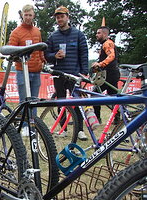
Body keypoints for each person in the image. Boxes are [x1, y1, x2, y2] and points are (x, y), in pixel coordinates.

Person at [44, 6, 89, 141]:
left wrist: (84, 73)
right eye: (57, 17)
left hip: (75, 75)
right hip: (59, 74)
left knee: (77, 102)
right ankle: (63, 128)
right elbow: (46, 54)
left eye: (62, 16)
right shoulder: (53, 36)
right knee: (61, 102)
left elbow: (84, 54)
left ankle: (80, 130)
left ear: (67, 17)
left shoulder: (78, 34)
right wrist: (54, 56)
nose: (59, 19)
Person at [8, 4, 46, 136]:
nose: (28, 17)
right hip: (22, 70)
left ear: (33, 15)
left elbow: (40, 49)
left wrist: (42, 60)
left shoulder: (37, 31)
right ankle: (23, 125)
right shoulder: (16, 32)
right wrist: (18, 59)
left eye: (30, 15)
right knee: (24, 100)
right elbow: (11, 51)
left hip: (36, 71)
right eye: (26, 15)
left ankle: (32, 125)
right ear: (22, 16)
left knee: (34, 101)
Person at [92, 26, 120, 124]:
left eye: (98, 33)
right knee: (113, 97)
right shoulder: (105, 44)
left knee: (95, 94)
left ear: (104, 34)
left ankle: (98, 118)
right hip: (110, 73)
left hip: (109, 74)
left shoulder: (108, 43)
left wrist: (100, 64)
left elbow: (111, 56)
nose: (96, 35)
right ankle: (116, 119)